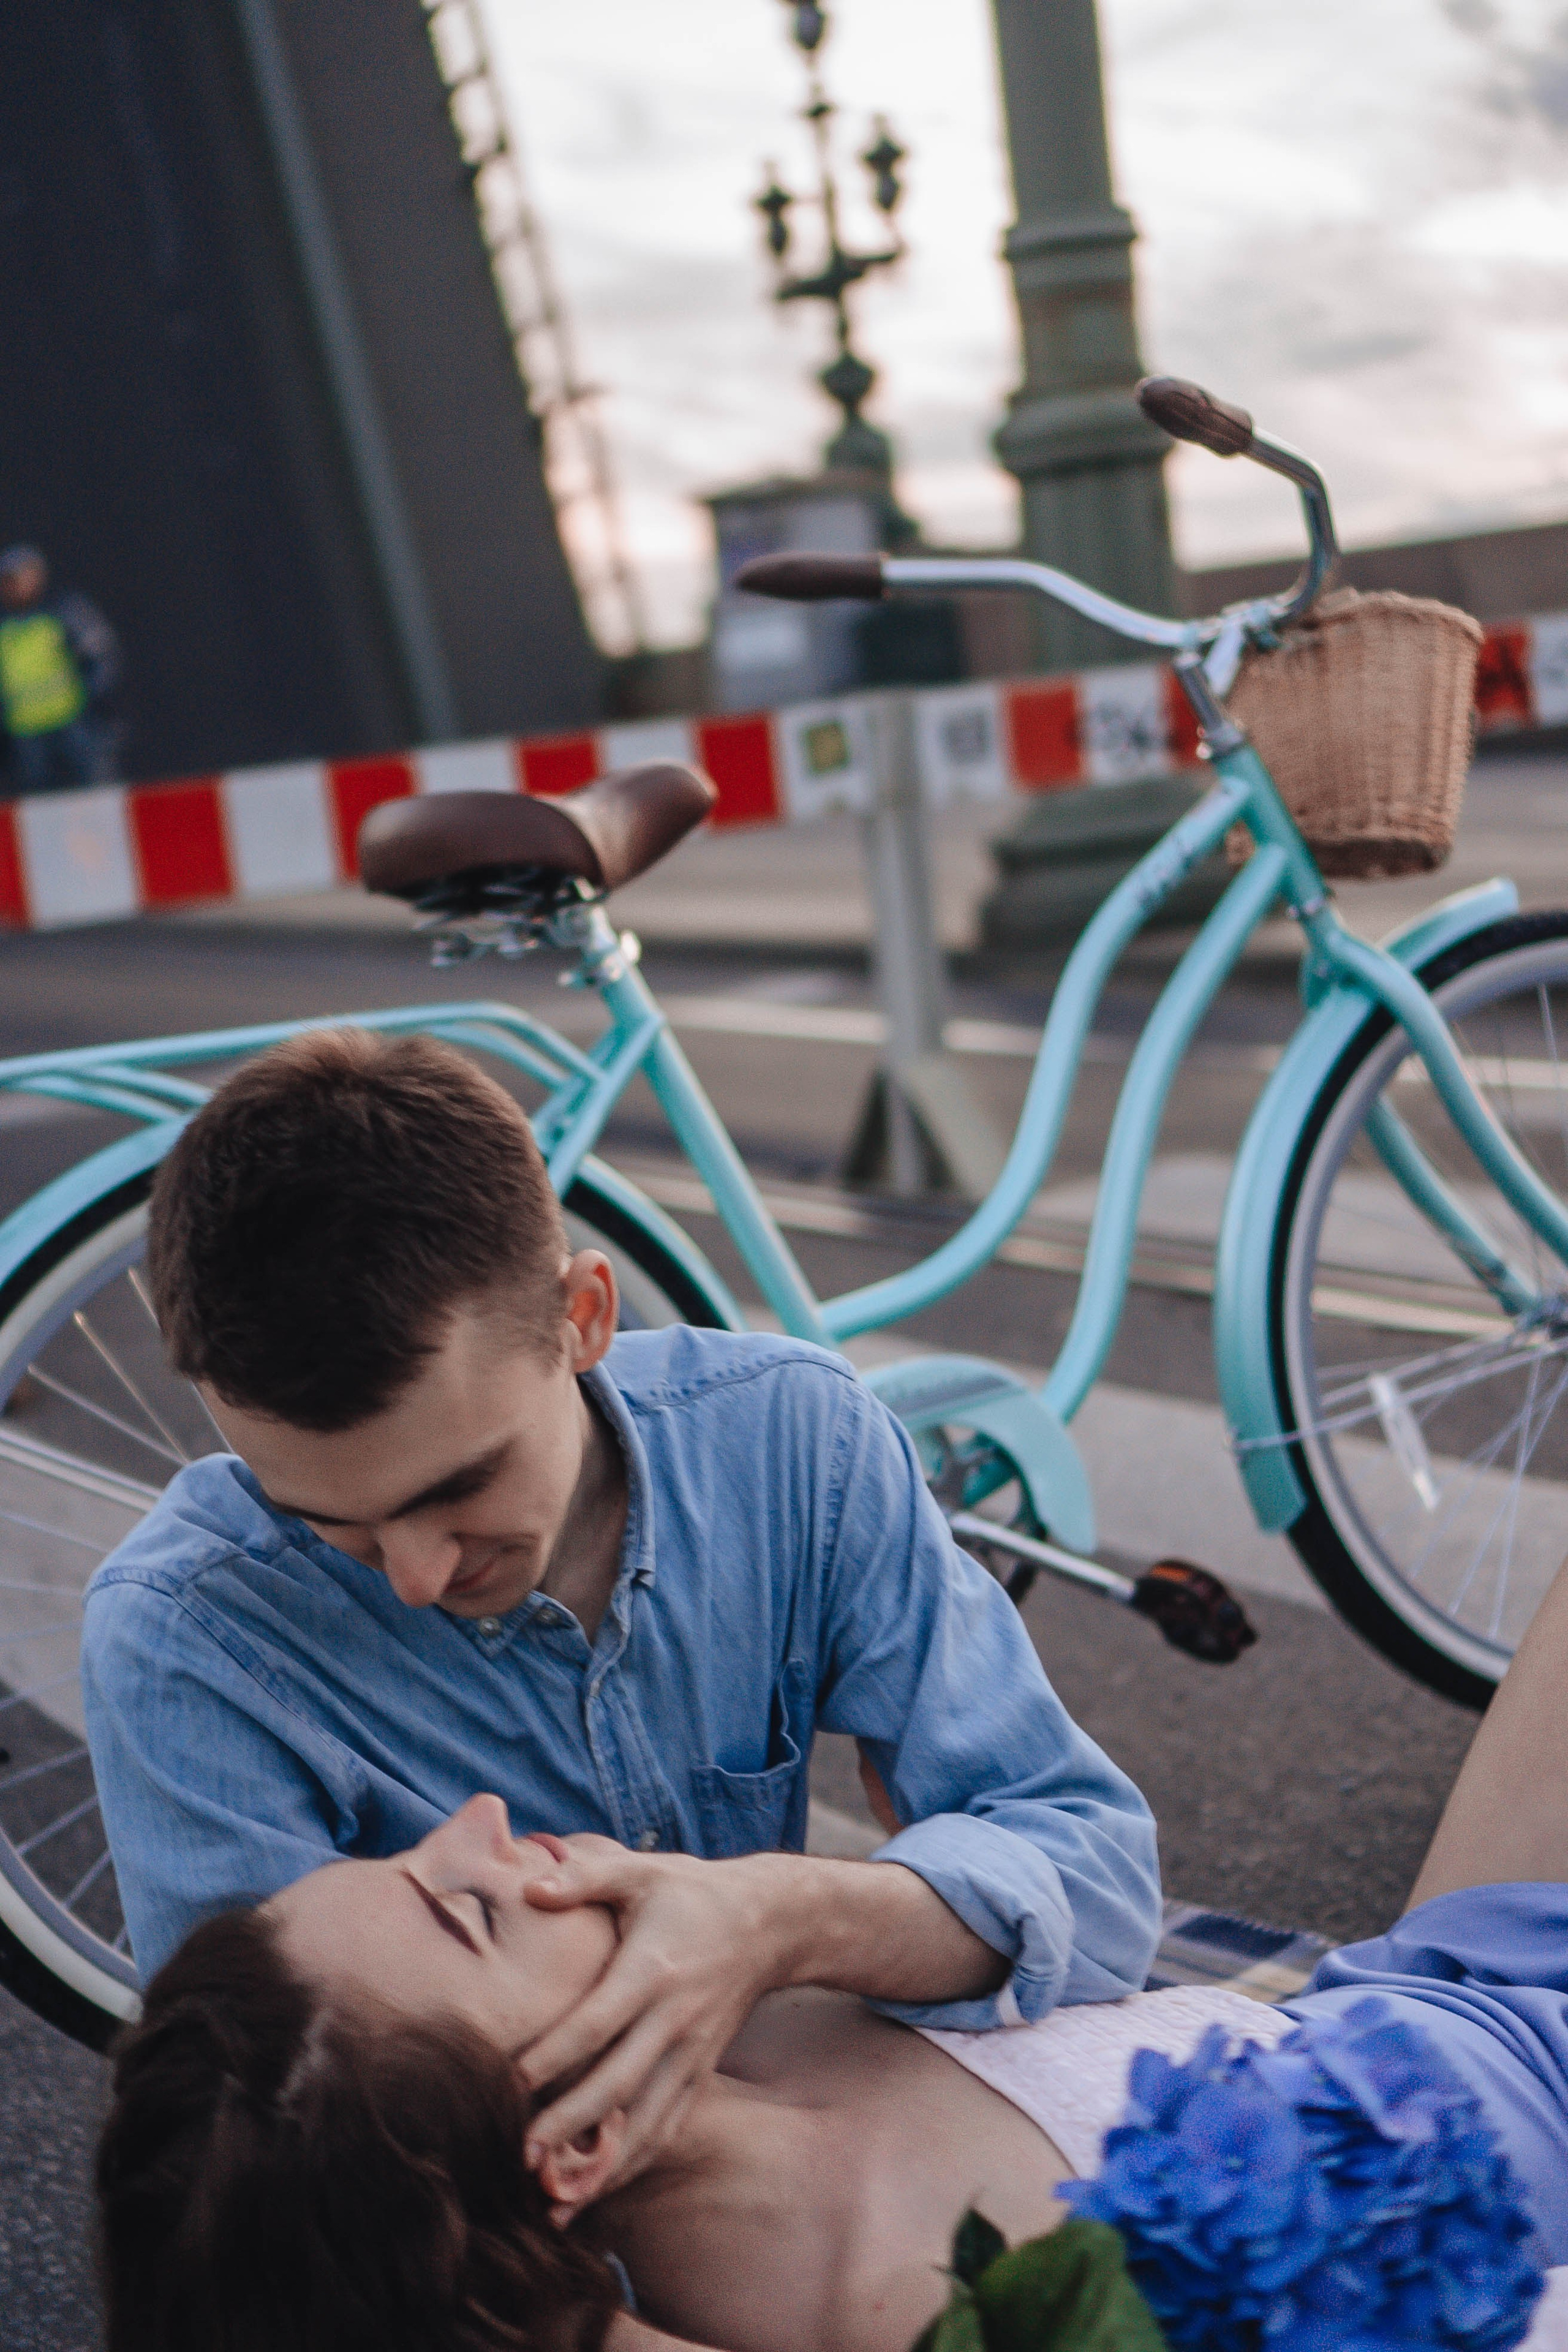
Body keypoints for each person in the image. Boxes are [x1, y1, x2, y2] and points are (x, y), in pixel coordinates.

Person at [81, 1028, 1163, 2193]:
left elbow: (1093, 1874)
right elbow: (282, 2173)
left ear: (583, 1316)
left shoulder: (795, 1440)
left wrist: (773, 1920)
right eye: (325, 1523)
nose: (410, 1578)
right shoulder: (187, 1639)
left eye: (459, 1487)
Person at [96, 1544, 1568, 2352]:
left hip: (1428, 1983)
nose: (481, 1820)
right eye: (464, 1907)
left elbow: (1082, 1859)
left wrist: (786, 1908)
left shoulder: (742, 1993)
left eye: (411, 1851)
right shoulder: (912, 2305)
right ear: (571, 2136)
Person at [0, 545, 121, 792]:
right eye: (8, 580)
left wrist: (95, 701)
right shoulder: (4, 623)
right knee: (39, 800)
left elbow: (100, 655)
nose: (14, 586)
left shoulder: (62, 610)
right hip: (25, 730)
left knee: (97, 786)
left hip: (73, 720)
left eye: (19, 578)